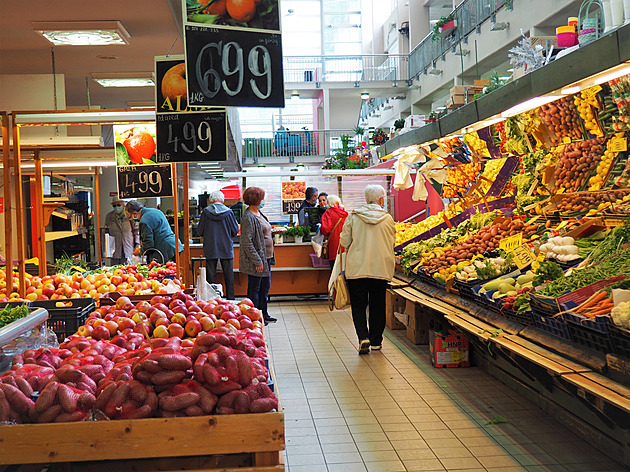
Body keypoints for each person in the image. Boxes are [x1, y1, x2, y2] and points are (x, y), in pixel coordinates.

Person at [339, 185, 395, 355]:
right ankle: (376, 342)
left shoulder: (354, 217)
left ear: (366, 199)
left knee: (359, 305)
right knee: (378, 305)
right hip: (380, 268)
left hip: (357, 268)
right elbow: (392, 242)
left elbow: (343, 241)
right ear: (381, 200)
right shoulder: (388, 219)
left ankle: (363, 337)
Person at [239, 187, 277, 325]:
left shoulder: (259, 213)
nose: (263, 200)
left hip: (266, 257)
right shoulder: (248, 217)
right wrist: (257, 261)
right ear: (256, 199)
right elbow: (247, 242)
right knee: (254, 289)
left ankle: (263, 313)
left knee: (264, 288)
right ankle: (254, 317)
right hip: (257, 260)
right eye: (261, 197)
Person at [197, 190, 239, 300]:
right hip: (226, 247)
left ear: (211, 200)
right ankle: (230, 299)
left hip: (210, 247)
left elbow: (200, 231)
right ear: (222, 199)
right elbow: (235, 230)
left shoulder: (205, 213)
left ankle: (212, 300)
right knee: (228, 275)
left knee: (211, 276)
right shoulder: (229, 213)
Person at [104, 197, 139, 265]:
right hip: (115, 249)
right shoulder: (109, 216)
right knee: (115, 269)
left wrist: (137, 244)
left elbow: (137, 230)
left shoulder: (129, 215)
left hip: (128, 246)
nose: (117, 207)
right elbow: (106, 232)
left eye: (119, 205)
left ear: (123, 205)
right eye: (114, 205)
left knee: (128, 269)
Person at [320, 195, 348, 268]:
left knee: (334, 273)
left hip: (334, 247)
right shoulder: (345, 213)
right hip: (345, 247)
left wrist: (320, 229)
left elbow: (326, 229)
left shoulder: (328, 213)